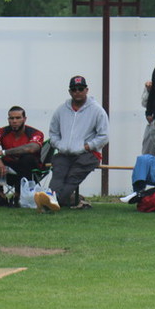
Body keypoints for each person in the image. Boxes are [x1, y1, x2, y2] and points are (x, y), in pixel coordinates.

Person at [38, 75, 109, 212]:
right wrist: (60, 145)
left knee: (73, 177)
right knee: (58, 174)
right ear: (70, 91)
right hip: (64, 153)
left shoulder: (97, 110)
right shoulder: (61, 110)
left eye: (81, 89)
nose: (77, 92)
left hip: (88, 155)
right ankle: (55, 201)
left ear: (86, 90)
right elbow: (53, 133)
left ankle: (52, 201)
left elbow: (104, 136)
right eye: (74, 89)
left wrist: (87, 146)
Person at [0, 106, 44, 207]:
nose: (14, 121)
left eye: (18, 118)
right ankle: (0, 196)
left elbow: (31, 148)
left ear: (24, 119)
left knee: (27, 158)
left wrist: (3, 153)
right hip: (6, 170)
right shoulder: (1, 131)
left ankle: (18, 196)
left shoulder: (36, 133)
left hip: (29, 171)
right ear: (8, 119)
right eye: (11, 118)